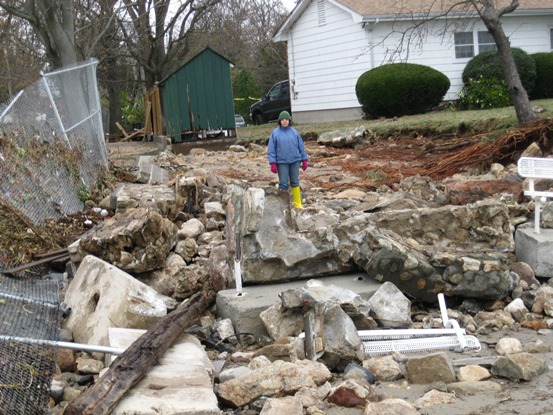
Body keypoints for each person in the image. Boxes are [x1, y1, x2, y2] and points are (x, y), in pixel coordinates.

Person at [267, 110, 308, 208]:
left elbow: (301, 146)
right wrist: (272, 163)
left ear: (289, 120)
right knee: (283, 184)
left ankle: (298, 204)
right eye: (282, 119)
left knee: (295, 182)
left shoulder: (295, 132)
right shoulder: (275, 133)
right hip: (281, 162)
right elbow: (271, 149)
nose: (284, 121)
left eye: (286, 119)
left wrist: (304, 159)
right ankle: (283, 206)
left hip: (295, 161)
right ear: (279, 121)